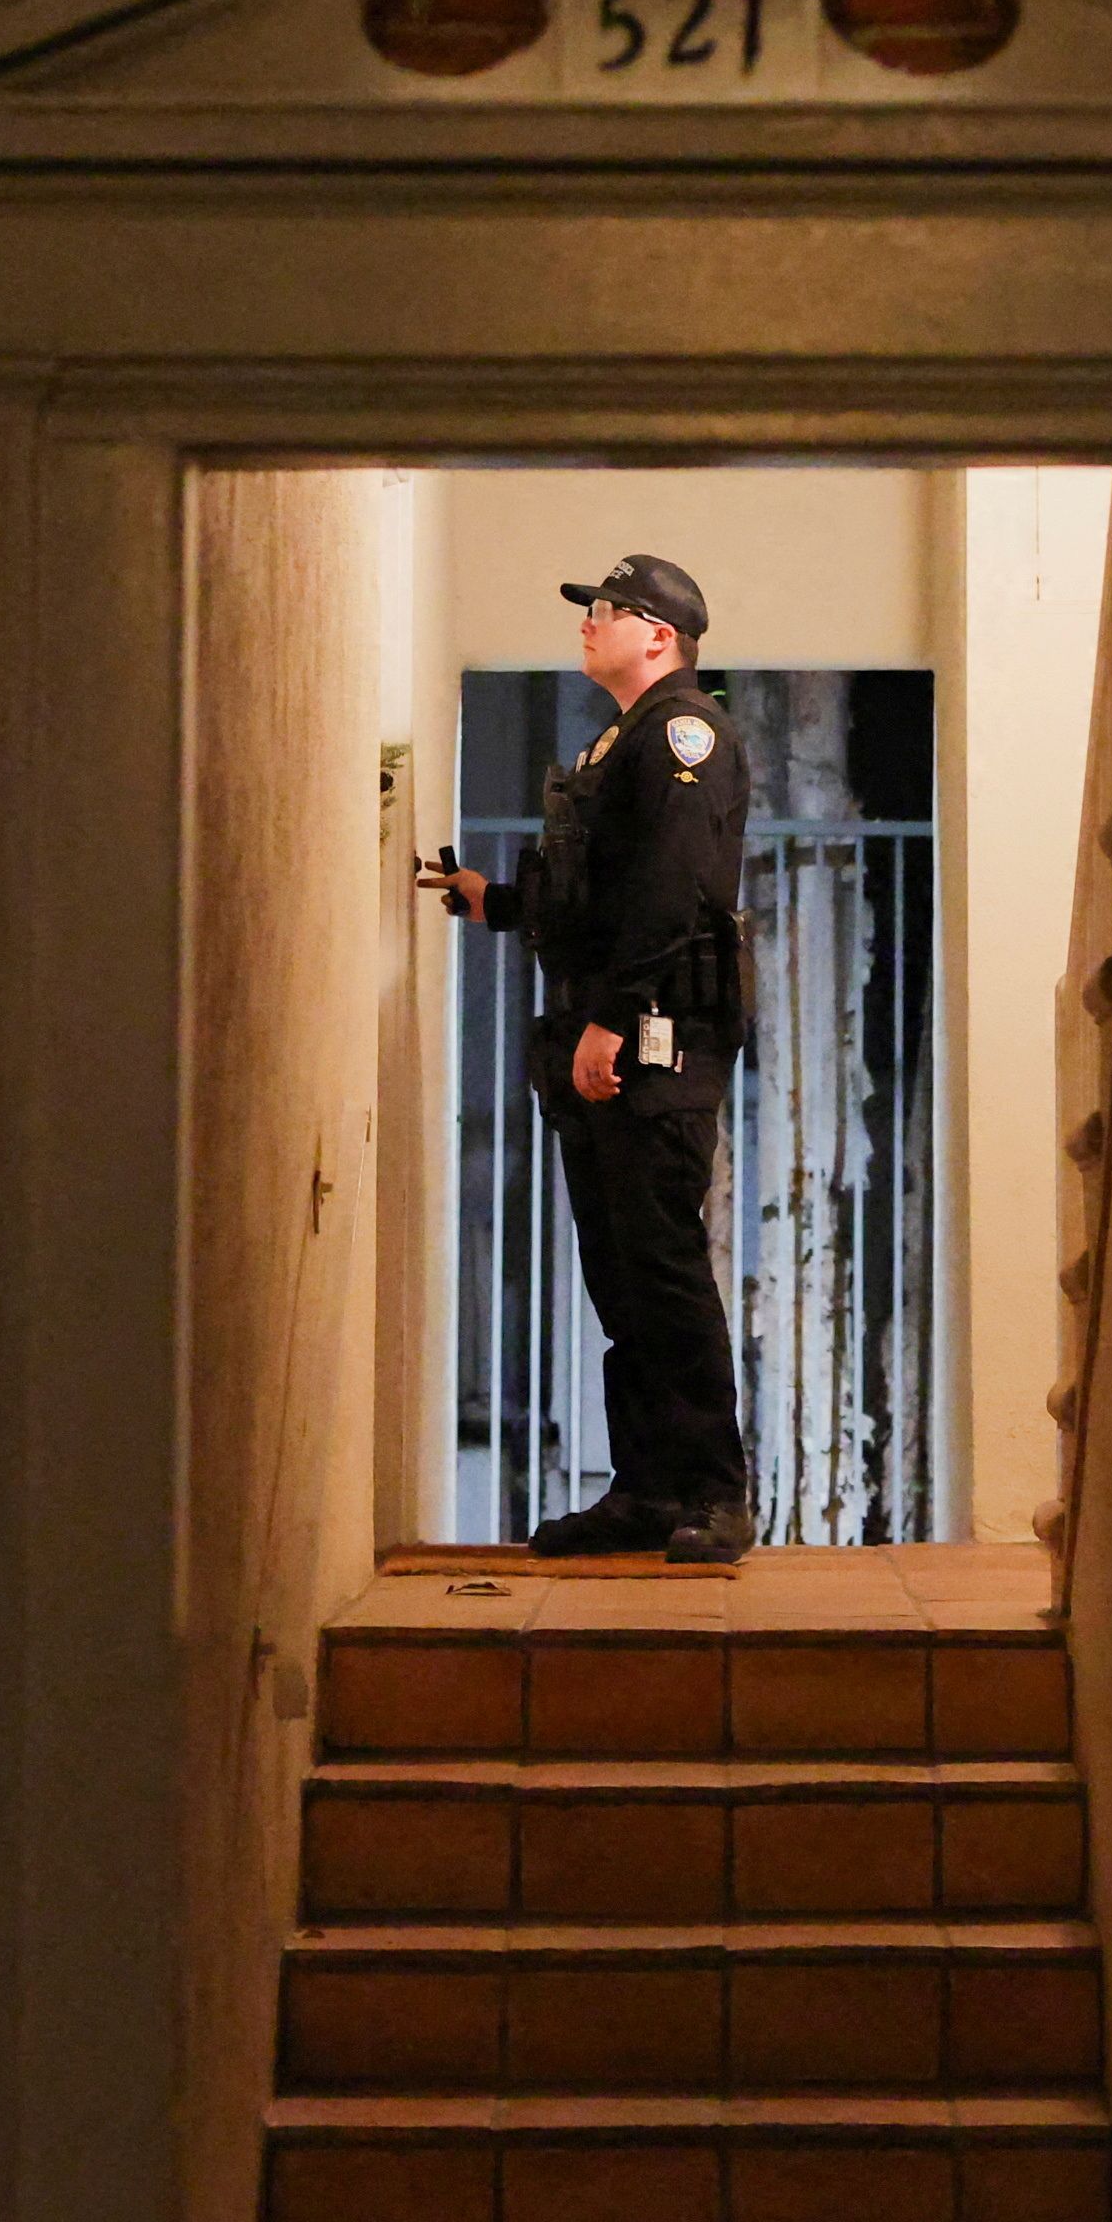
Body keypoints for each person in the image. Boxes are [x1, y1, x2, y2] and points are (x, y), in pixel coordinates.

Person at [416, 551, 758, 1564]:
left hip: (654, 1042)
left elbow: (671, 889)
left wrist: (613, 1017)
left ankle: (714, 1490)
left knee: (662, 1270)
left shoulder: (684, 733)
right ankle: (647, 1488)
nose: (587, 623)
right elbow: (598, 890)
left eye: (606, 610)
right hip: (605, 1037)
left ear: (659, 634)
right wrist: (494, 901)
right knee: (621, 1280)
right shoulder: (622, 739)